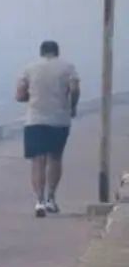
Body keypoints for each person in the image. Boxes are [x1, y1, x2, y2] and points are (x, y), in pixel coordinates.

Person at [16, 40, 80, 217]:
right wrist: (72, 106)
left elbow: (19, 95)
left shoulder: (29, 68)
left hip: (35, 119)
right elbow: (74, 89)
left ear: (41, 52)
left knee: (38, 161)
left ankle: (39, 201)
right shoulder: (68, 67)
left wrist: (34, 96)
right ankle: (51, 198)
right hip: (59, 119)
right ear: (57, 52)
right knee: (55, 158)